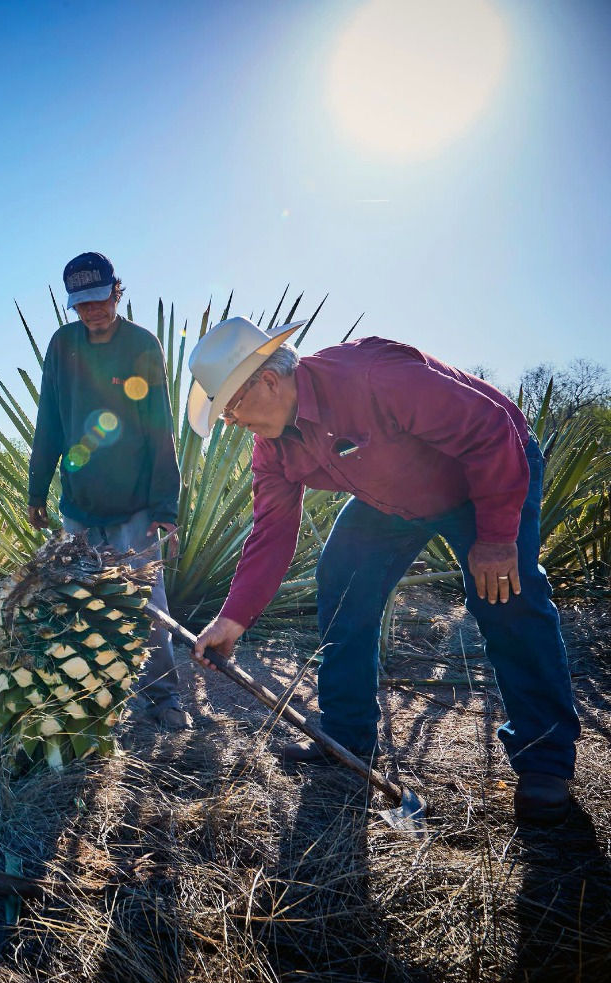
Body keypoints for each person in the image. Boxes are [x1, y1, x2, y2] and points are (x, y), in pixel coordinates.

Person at [188, 316, 580, 825]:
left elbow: (489, 431)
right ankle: (347, 739)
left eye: (231, 407)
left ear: (267, 380)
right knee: (342, 580)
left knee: (506, 596)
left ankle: (545, 761)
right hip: (392, 498)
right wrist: (233, 618)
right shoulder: (272, 446)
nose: (232, 422)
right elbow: (272, 532)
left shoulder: (370, 376)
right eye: (222, 415)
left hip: (486, 469)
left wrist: (499, 537)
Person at [27, 251, 189, 729]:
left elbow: (161, 428)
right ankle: (96, 700)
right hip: (79, 505)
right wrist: (37, 490)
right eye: (82, 303)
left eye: (100, 298)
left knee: (148, 608)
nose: (92, 310)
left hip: (136, 505)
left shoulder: (142, 344)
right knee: (79, 605)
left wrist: (166, 507)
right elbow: (48, 422)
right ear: (71, 304)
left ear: (117, 292)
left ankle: (163, 699)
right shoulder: (62, 346)